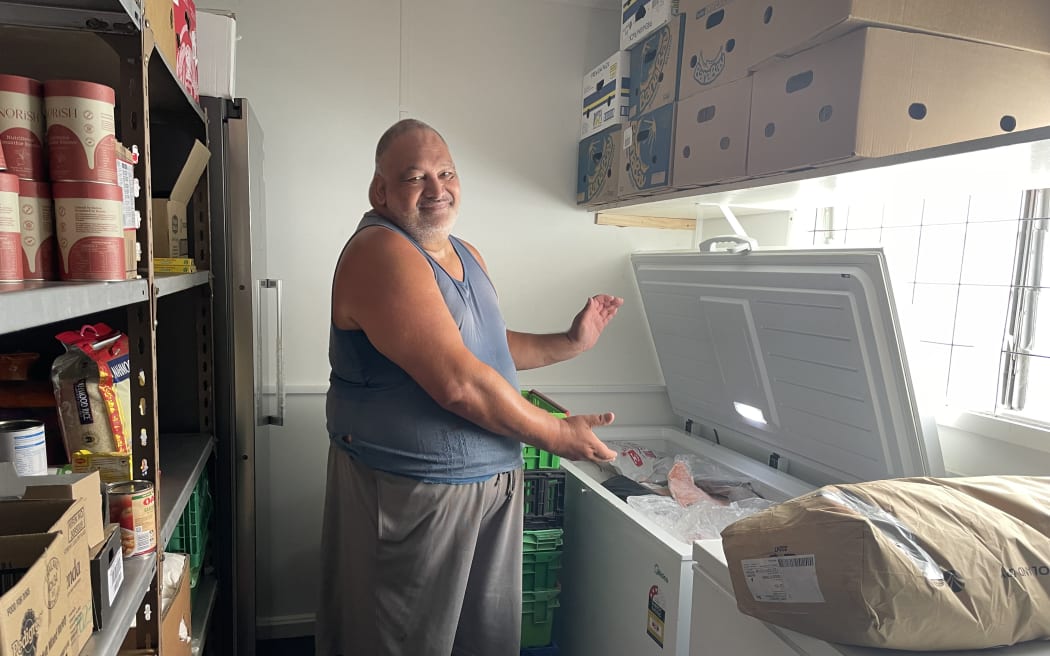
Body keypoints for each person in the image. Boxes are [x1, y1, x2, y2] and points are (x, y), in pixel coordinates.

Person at [317, 118, 623, 656]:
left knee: (481, 641)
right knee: (401, 641)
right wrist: (557, 435)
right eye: (415, 177)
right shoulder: (380, 253)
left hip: (492, 483)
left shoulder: (466, 254)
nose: (437, 189)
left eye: (446, 172)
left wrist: (571, 342)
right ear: (380, 191)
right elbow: (459, 383)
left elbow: (488, 350)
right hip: (413, 494)